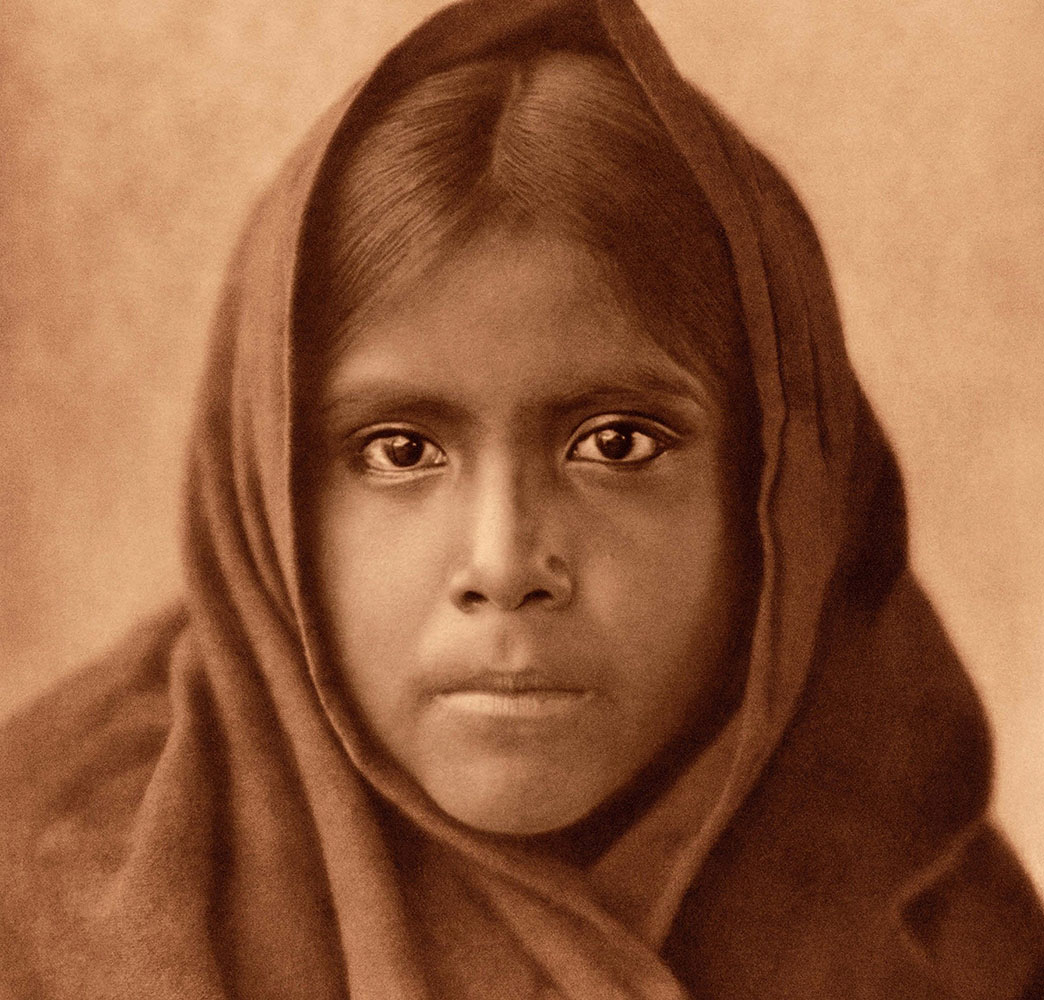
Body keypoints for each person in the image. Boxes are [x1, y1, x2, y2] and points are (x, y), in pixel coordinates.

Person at [1, 0, 1041, 996]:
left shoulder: (937, 918)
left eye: (618, 443)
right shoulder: (47, 904)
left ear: (777, 497)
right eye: (399, 449)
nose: (503, 563)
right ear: (266, 496)